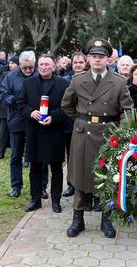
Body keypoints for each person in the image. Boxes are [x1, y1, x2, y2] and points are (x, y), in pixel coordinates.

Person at [61, 38, 133, 238]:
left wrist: (120, 132)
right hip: (83, 135)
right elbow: (66, 105)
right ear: (88, 58)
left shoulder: (119, 82)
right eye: (93, 56)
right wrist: (81, 121)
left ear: (108, 59)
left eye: (101, 57)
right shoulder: (77, 80)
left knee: (106, 178)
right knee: (81, 176)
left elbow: (127, 111)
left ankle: (106, 220)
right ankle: (78, 220)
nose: (97, 60)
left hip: (107, 135)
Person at [17, 55, 68, 213]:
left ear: (54, 67)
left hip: (55, 132)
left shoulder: (63, 83)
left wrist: (54, 117)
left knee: (56, 168)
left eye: (47, 64)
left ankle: (56, 200)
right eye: (41, 64)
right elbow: (20, 104)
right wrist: (31, 113)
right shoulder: (28, 83)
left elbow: (68, 108)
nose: (44, 67)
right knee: (35, 168)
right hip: (35, 132)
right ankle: (35, 199)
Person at [0, 51, 37, 198]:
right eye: (25, 68)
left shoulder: (39, 74)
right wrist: (16, 100)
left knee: (37, 155)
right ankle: (16, 186)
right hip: (16, 120)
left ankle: (41, 186)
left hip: (35, 120)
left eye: (31, 67)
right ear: (20, 65)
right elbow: (3, 94)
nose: (28, 70)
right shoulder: (11, 76)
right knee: (15, 155)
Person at [61, 51, 88, 198]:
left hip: (86, 125)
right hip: (68, 123)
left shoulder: (89, 79)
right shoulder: (65, 79)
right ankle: (72, 184)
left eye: (81, 62)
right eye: (75, 62)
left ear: (86, 63)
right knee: (71, 157)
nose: (78, 65)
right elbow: (65, 103)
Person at [0, 55, 19, 160]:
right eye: (9, 63)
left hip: (17, 108)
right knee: (3, 132)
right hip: (6, 107)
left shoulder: (22, 76)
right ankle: (1, 153)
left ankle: (20, 154)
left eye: (13, 63)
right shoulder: (5, 74)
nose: (10, 65)